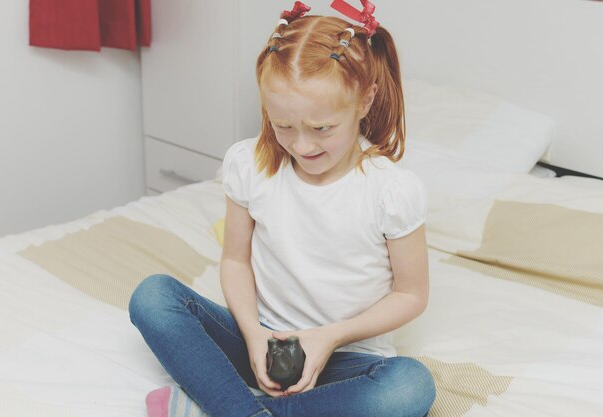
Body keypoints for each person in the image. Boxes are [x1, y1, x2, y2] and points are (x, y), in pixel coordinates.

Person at [128, 1, 436, 416]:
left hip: (345, 354)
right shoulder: (248, 163)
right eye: (284, 126)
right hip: (259, 341)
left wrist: (328, 338)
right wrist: (254, 335)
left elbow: (411, 294)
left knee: (410, 387)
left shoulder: (391, 190)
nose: (302, 146)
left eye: (322, 129)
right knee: (153, 296)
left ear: (365, 100)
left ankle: (228, 406)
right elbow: (236, 261)